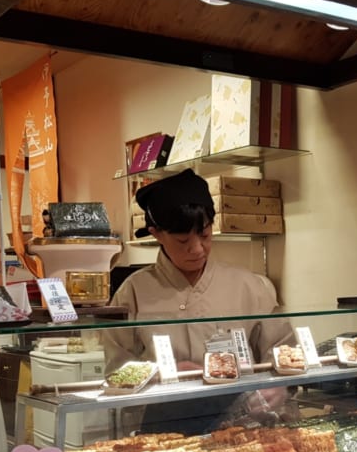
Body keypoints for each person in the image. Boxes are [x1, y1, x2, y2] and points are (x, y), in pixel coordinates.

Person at [104, 169, 294, 435]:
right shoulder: (133, 292)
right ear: (156, 233)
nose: (196, 249)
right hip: (164, 430)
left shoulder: (250, 286)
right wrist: (161, 372)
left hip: (244, 427)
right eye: (183, 240)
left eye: (204, 235)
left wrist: (279, 385)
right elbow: (116, 368)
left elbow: (282, 350)